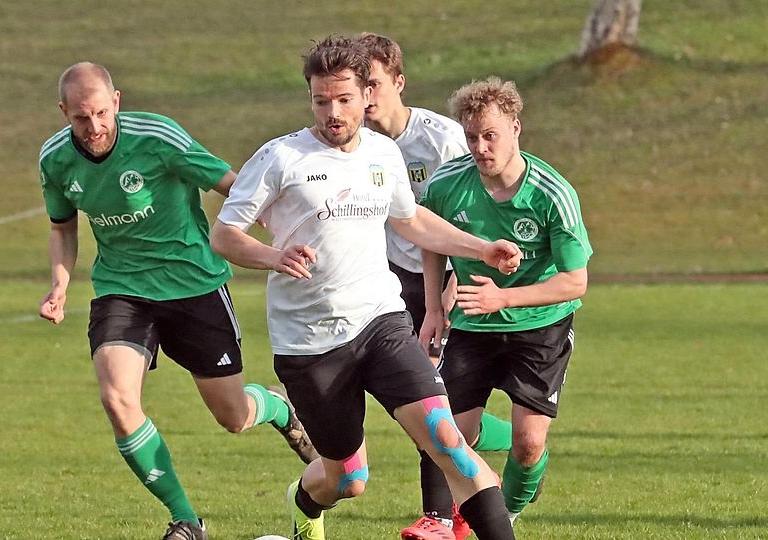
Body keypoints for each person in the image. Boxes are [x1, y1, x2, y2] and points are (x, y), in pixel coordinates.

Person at [210, 36, 519, 540]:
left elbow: (411, 220)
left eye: (344, 99)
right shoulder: (280, 158)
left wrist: (480, 247)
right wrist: (273, 256)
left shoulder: (381, 154)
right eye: (320, 100)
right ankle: (304, 501)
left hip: (380, 322)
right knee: (348, 479)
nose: (332, 112)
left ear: (365, 96)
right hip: (309, 345)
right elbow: (223, 234)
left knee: (447, 440)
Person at [37, 62, 318, 540]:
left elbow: (232, 184)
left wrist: (287, 232)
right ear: (64, 112)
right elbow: (62, 227)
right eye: (81, 118)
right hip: (122, 289)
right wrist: (60, 284)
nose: (95, 127)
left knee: (233, 417)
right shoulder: (55, 158)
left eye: (102, 113)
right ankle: (187, 520)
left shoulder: (158, 136)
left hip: (195, 286)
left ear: (117, 100)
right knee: (117, 398)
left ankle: (276, 408)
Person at [357, 32, 513, 540]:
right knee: (414, 398)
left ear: (399, 81)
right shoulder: (356, 143)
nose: (364, 94)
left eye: (373, 82)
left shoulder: (441, 139)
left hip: (454, 274)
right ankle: (505, 440)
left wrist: (442, 302)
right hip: (391, 280)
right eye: (356, 84)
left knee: (430, 394)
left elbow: (459, 217)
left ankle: (441, 517)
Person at [419, 77, 593, 530]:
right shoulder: (446, 184)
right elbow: (430, 240)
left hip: (540, 326)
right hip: (473, 326)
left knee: (528, 443)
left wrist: (505, 298)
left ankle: (507, 515)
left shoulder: (552, 193)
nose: (480, 146)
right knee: (446, 435)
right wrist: (435, 308)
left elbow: (576, 281)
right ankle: (463, 515)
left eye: (490, 135)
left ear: (516, 127)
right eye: (471, 136)